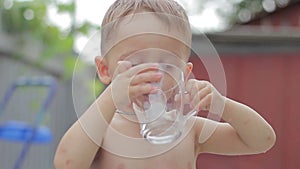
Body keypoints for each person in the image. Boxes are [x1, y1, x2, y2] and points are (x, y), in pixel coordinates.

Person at [54, 0, 276, 169]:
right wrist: (110, 97)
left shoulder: (189, 128)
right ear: (105, 71)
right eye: (136, 63)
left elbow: (262, 140)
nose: (153, 74)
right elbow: (66, 163)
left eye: (167, 63)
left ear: (185, 73)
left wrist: (222, 104)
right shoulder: (103, 130)